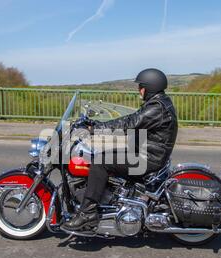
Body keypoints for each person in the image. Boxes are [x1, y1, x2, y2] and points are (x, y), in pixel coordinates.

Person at [63, 68, 178, 231]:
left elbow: (129, 123)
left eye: (140, 87)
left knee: (100, 161)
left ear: (148, 88)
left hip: (147, 158)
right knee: (102, 154)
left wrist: (94, 128)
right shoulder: (158, 102)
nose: (139, 90)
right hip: (145, 152)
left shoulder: (157, 107)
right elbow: (133, 120)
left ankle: (87, 214)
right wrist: (95, 125)